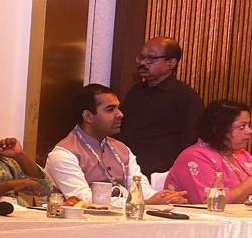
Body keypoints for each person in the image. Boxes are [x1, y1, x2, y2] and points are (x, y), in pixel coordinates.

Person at [46, 84, 189, 205]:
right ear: (88, 116)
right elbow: (83, 199)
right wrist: (144, 203)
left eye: (118, 108)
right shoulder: (62, 155)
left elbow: (140, 188)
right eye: (110, 109)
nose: (120, 114)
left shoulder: (122, 149)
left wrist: (165, 197)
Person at [116, 36, 204, 175]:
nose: (143, 63)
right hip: (126, 167)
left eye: (151, 59)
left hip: (161, 173)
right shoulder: (136, 91)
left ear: (171, 63)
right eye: (141, 57)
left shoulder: (185, 95)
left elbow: (190, 140)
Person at [165, 99, 252, 204]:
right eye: (242, 126)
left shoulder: (243, 155)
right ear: (221, 129)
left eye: (248, 125)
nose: (249, 131)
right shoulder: (194, 157)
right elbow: (212, 203)